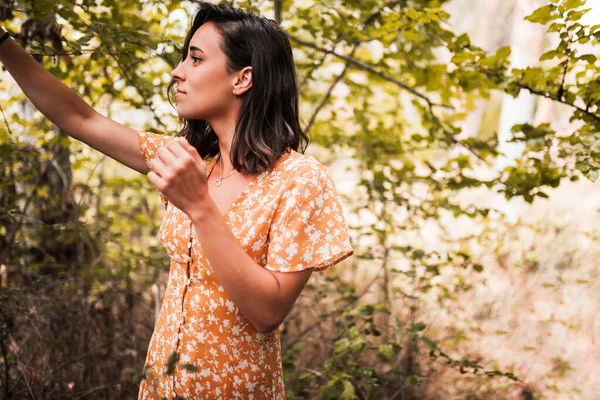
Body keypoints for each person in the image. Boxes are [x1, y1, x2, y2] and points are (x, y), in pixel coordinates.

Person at [0, 2, 354, 399]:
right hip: (161, 388)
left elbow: (268, 313)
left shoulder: (299, 180)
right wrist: (3, 43)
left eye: (196, 59)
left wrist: (200, 207)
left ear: (243, 79)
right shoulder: (190, 161)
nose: (177, 71)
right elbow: (81, 120)